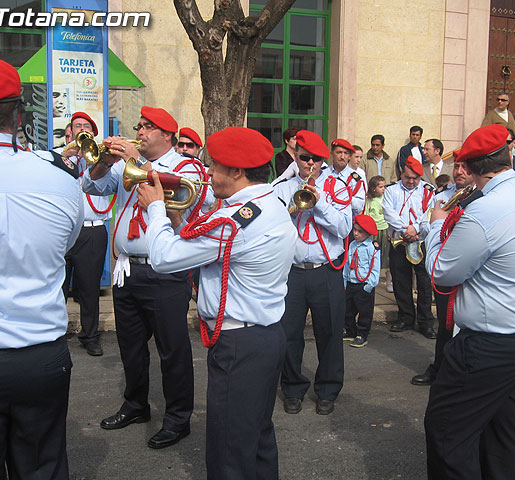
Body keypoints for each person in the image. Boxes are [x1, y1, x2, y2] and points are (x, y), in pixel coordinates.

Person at [137, 126, 296, 479]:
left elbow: (163, 259)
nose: (208, 173)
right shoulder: (267, 204)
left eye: (215, 166)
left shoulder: (235, 221)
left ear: (237, 172)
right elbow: (201, 247)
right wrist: (179, 218)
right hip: (265, 336)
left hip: (239, 344)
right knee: (256, 439)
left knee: (228, 453)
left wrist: (157, 210)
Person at [423, 124, 515, 479]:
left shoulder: (485, 212)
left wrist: (437, 227)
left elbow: (442, 272)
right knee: (504, 426)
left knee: (447, 431)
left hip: (490, 343)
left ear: (473, 167)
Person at [83, 106, 209, 449]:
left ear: (166, 135)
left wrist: (139, 160)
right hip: (127, 268)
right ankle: (135, 404)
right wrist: (106, 161)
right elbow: (91, 186)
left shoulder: (185, 165)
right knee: (131, 346)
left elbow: (191, 208)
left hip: (164, 271)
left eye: (147, 128)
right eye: (138, 126)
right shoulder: (127, 163)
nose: (138, 132)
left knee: (173, 350)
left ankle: (178, 417)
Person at [0, 58, 83, 479]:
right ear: (19, 114)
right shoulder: (59, 179)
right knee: (42, 468)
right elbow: (69, 243)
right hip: (41, 354)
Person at [274, 130, 352, 416]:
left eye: (315, 160)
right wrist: (293, 209)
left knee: (330, 332)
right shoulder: (281, 186)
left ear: (323, 161)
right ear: (296, 156)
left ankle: (328, 390)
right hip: (292, 271)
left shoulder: (338, 187)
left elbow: (344, 228)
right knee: (289, 332)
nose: (309, 164)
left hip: (325, 271)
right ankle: (292, 388)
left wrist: (320, 204)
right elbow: (273, 226)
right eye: (304, 158)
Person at [410, 150, 475, 386]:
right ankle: (439, 368)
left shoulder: (478, 199)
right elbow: (426, 223)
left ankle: (461, 372)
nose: (459, 171)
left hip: (467, 269)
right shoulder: (443, 196)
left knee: (466, 324)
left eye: (465, 167)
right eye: (456, 166)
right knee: (446, 323)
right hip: (444, 263)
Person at [59, 111, 111, 357]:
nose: (81, 129)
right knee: (58, 285)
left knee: (89, 289)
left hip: (92, 230)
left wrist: (94, 159)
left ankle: (90, 336)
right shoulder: (58, 155)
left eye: (86, 126)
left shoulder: (101, 158)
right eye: (77, 126)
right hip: (63, 229)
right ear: (69, 132)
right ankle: (55, 333)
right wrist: (64, 156)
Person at [382, 156, 436, 338]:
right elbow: (389, 213)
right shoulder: (391, 191)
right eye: (408, 177)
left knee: (424, 283)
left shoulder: (429, 191)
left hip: (421, 242)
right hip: (399, 242)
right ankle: (405, 317)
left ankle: (426, 322)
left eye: (416, 178)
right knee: (400, 281)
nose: (411, 181)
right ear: (401, 174)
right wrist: (405, 230)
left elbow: (429, 214)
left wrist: (416, 230)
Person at [343, 214, 381, 348]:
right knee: (347, 310)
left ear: (368, 233)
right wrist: (345, 280)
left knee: (365, 311)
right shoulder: (352, 245)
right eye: (355, 230)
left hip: (364, 285)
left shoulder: (372, 247)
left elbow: (375, 268)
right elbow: (347, 264)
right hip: (351, 283)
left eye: (360, 231)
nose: (356, 233)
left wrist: (370, 285)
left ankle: (362, 334)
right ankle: (350, 331)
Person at [365, 175, 392, 292]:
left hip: (385, 229)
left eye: (384, 186)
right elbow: (366, 214)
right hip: (374, 231)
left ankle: (389, 281)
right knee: (372, 255)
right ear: (374, 188)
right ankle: (370, 278)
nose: (383, 189)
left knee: (387, 257)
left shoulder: (387, 198)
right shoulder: (369, 200)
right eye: (381, 187)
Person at [326, 138, 365, 217]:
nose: (342, 157)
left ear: (350, 156)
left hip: (346, 222)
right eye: (339, 152)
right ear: (332, 153)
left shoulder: (355, 179)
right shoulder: (322, 174)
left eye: (346, 153)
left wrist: (341, 198)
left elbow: (360, 205)